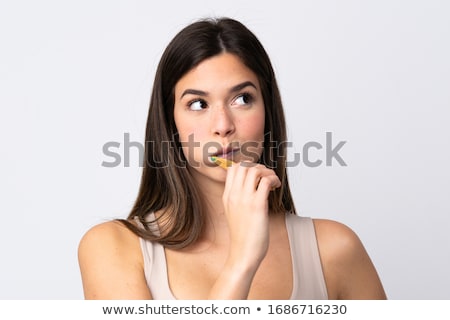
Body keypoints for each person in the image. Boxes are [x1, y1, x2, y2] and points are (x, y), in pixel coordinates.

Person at [78, 17, 387, 300]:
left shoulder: (335, 250)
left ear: (267, 111)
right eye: (198, 103)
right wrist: (242, 260)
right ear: (170, 123)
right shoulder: (111, 249)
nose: (223, 125)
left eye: (242, 99)